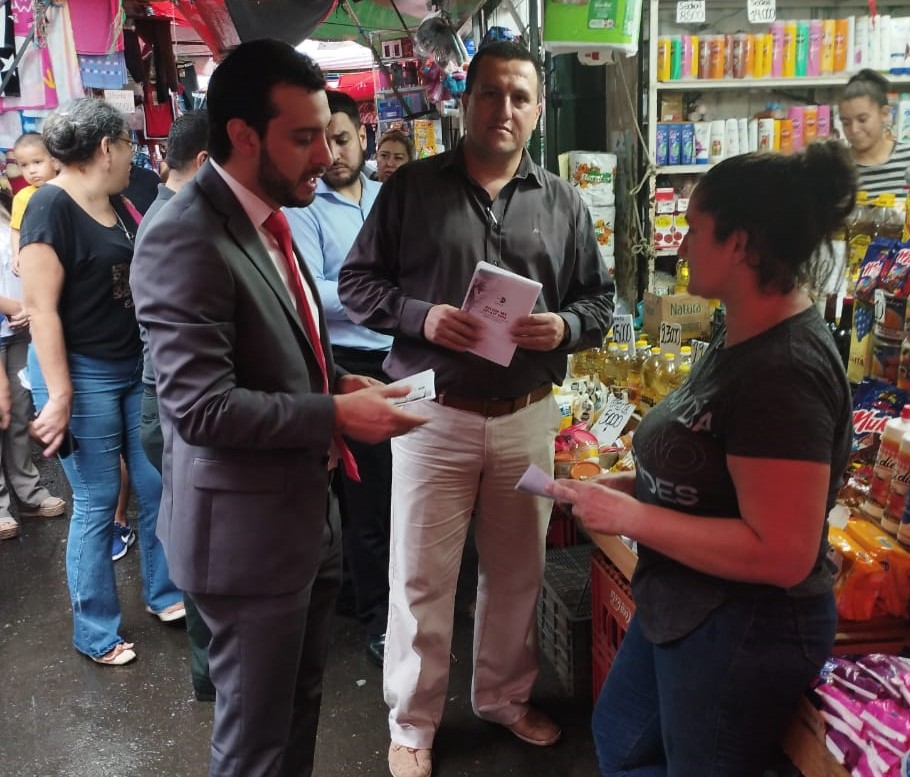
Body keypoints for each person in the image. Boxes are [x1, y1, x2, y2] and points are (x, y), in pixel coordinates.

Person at [129, 39, 426, 777]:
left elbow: (280, 346)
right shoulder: (184, 236)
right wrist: (332, 414)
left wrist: (338, 385)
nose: (323, 154)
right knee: (255, 739)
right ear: (242, 135)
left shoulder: (270, 218)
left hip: (302, 518)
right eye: (303, 137)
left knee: (298, 708)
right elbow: (199, 408)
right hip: (244, 540)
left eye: (326, 133)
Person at [339, 41, 614, 777]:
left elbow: (599, 300)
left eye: (520, 96)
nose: (505, 108)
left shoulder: (562, 202)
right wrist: (421, 317)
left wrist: (567, 326)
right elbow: (356, 284)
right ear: (466, 101)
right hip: (435, 414)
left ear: (536, 109)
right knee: (422, 576)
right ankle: (412, 720)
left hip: (527, 415)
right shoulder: (412, 190)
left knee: (518, 568)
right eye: (491, 93)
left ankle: (502, 696)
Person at [548, 141, 856, 776]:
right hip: (685, 604)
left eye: (694, 230)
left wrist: (629, 518)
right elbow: (710, 466)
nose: (681, 246)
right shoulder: (738, 328)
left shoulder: (784, 371)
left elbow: (781, 551)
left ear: (741, 244)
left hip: (744, 629)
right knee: (622, 739)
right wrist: (631, 485)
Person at [19, 97, 184, 667]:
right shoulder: (50, 207)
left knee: (156, 482)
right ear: (105, 148)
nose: (132, 156)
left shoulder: (120, 205)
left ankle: (165, 592)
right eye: (128, 145)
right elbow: (42, 311)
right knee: (94, 499)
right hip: (78, 374)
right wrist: (59, 395)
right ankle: (95, 630)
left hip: (128, 369)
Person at [285, 90, 391, 669]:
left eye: (343, 138)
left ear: (362, 137)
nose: (333, 152)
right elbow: (312, 293)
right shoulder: (303, 210)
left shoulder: (386, 198)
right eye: (323, 140)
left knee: (400, 492)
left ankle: (378, 597)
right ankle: (376, 616)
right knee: (366, 500)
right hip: (347, 365)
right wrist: (384, 295)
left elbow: (408, 273)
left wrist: (379, 295)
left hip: (401, 361)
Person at [133, 109, 216, 701]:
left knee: (202, 541)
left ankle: (216, 669)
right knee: (201, 545)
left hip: (167, 406)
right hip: (170, 410)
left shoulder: (179, 214)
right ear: (208, 162)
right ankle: (212, 675)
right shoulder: (176, 225)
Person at [0, 187, 64, 541]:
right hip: (11, 322)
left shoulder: (15, 212)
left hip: (19, 332)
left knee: (20, 415)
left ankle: (29, 492)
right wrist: (19, 308)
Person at [838, 69, 910, 197]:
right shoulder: (838, 168)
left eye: (862, 120)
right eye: (846, 123)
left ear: (884, 114)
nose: (854, 129)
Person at [9, 132, 59, 266]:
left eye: (37, 162)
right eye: (24, 165)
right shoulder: (22, 197)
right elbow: (16, 229)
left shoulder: (67, 189)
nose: (31, 170)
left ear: (55, 162)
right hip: (41, 259)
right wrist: (17, 254)